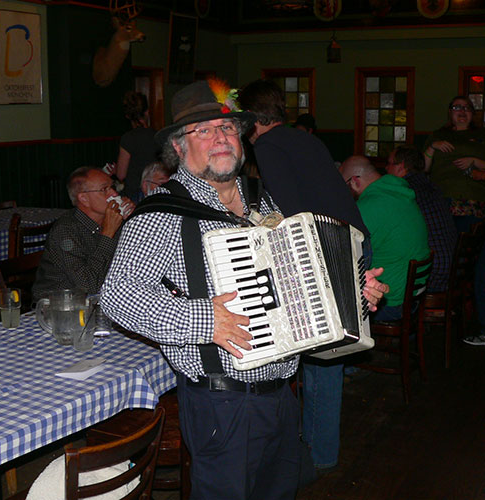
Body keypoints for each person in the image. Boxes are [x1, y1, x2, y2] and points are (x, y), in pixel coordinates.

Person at [100, 79, 387, 500]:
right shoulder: (162, 214)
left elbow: (295, 282)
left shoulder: (261, 200)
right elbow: (119, 294)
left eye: (229, 128)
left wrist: (353, 293)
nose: (221, 138)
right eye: (205, 131)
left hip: (282, 395)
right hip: (224, 405)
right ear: (179, 148)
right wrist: (204, 319)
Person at [237, 79, 371, 473]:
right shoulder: (305, 139)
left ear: (250, 119)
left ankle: (316, 457)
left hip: (325, 250)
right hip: (354, 241)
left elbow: (289, 215)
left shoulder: (267, 146)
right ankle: (318, 447)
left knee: (320, 360)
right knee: (331, 355)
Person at [423, 95, 485, 345]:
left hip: (472, 207)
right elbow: (422, 170)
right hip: (441, 206)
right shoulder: (437, 135)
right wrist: (431, 148)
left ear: (473, 113)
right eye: (457, 107)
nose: (462, 112)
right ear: (449, 112)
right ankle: (437, 307)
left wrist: (475, 161)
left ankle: (459, 306)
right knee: (436, 255)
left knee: (467, 262)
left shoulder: (481, 136)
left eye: (467, 108)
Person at [340, 155, 430, 320]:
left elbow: (342, 255)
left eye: (343, 186)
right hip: (414, 295)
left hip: (392, 301)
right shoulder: (400, 194)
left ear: (354, 181)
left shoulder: (367, 207)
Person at [32, 167, 135, 302]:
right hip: (57, 307)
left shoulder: (114, 221)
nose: (115, 194)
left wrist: (134, 221)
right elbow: (88, 286)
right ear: (84, 198)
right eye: (105, 189)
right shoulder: (66, 230)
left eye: (112, 187)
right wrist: (108, 234)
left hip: (98, 301)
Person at [386, 145, 457, 292]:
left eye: (390, 163)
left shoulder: (405, 191)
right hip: (452, 267)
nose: (386, 169)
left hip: (431, 272)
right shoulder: (432, 187)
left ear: (401, 167)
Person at [116, 91, 158, 202]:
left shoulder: (128, 138)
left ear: (127, 116)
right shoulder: (159, 135)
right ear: (147, 112)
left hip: (135, 195)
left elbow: (121, 175)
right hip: (156, 192)